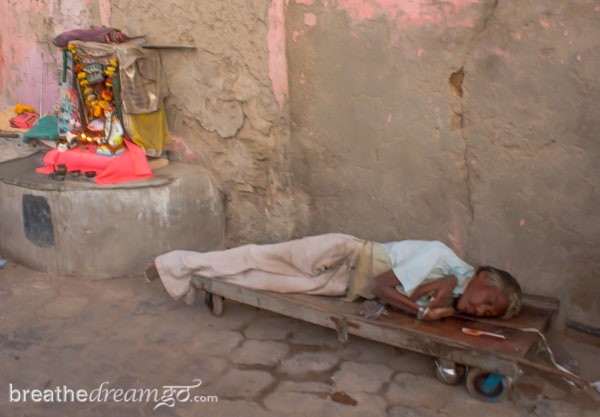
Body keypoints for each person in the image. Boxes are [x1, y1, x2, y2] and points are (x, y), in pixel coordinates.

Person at [146, 233, 522, 321]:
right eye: (489, 300)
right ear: (483, 275)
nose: (483, 310)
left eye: (490, 312)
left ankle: (196, 276)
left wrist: (440, 302)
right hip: (345, 253)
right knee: (256, 256)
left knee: (259, 279)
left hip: (344, 286)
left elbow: (397, 293)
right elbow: (381, 286)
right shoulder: (442, 256)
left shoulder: (452, 291)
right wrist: (422, 312)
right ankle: (173, 263)